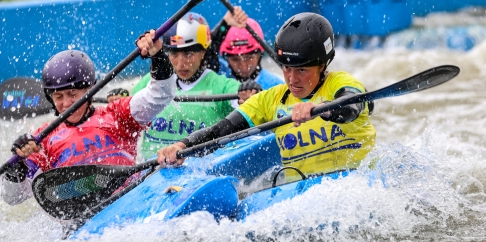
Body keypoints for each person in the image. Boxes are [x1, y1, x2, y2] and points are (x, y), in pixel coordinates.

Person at [156, 13, 376, 182]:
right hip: (304, 193)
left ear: (323, 64)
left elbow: (352, 106)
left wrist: (323, 108)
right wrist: (183, 145)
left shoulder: (341, 82)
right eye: (286, 69)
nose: (292, 79)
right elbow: (219, 131)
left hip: (355, 182)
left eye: (301, 70)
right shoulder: (270, 100)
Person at [1, 30, 175, 206]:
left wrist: (158, 56)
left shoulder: (117, 114)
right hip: (80, 223)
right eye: (58, 97)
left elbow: (161, 95)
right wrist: (17, 169)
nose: (66, 103)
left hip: (129, 203)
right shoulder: (42, 140)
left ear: (90, 89)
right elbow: (13, 198)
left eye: (72, 94)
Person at [131, 12, 261, 160]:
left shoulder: (222, 86)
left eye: (188, 54)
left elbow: (253, 106)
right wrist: (119, 97)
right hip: (148, 174)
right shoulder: (151, 82)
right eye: (174, 54)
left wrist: (250, 95)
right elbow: (123, 114)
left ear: (203, 52)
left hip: (197, 176)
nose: (180, 64)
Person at [214, 15, 284, 89]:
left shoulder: (278, 88)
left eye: (249, 58)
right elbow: (206, 55)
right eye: (235, 59)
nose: (243, 67)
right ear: (226, 58)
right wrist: (224, 24)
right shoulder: (216, 74)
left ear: (259, 55)